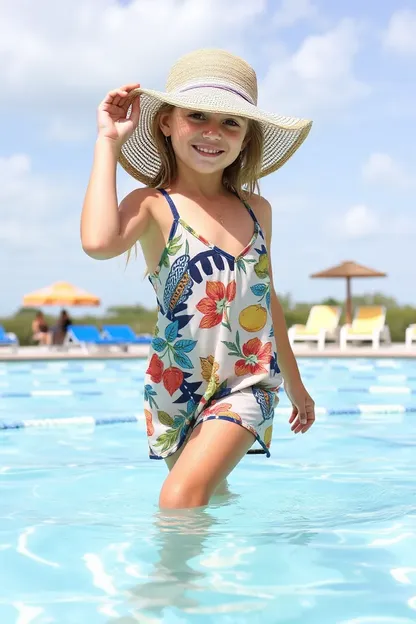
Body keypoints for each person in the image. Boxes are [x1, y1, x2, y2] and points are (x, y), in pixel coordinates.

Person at [81, 49, 316, 510]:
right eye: (197, 116)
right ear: (167, 122)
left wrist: (294, 382)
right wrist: (107, 143)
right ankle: (222, 577)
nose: (213, 133)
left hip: (247, 383)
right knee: (206, 499)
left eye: (232, 123)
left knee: (179, 498)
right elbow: (98, 242)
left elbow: (266, 301)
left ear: (246, 137)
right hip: (175, 384)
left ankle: (166, 585)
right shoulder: (152, 205)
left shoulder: (256, 209)